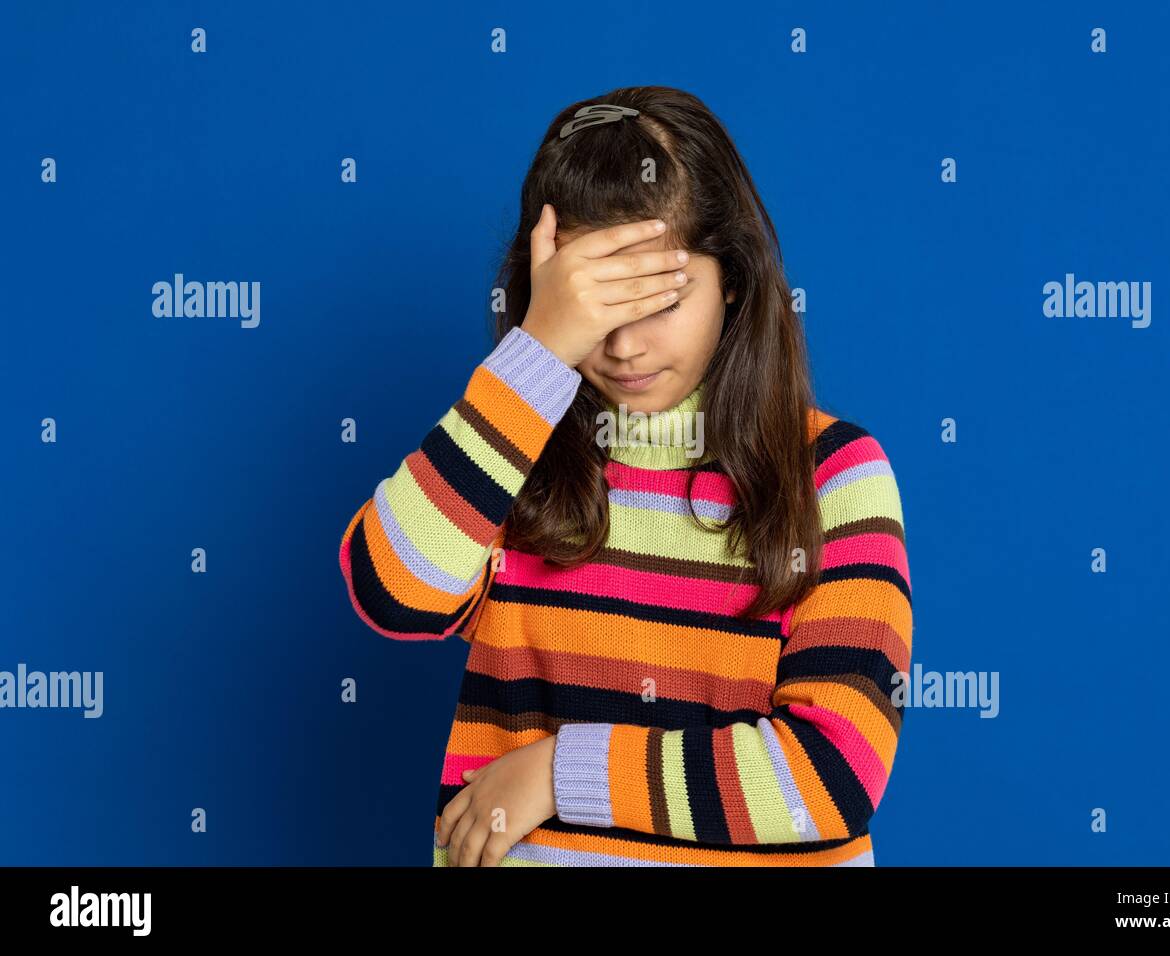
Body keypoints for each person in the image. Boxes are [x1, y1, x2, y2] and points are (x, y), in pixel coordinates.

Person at [337, 86, 912, 867]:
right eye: (594, 304)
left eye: (661, 299)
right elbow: (393, 591)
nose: (625, 347)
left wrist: (558, 771)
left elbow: (830, 777)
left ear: (733, 279)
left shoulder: (835, 478)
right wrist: (536, 355)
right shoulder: (510, 444)